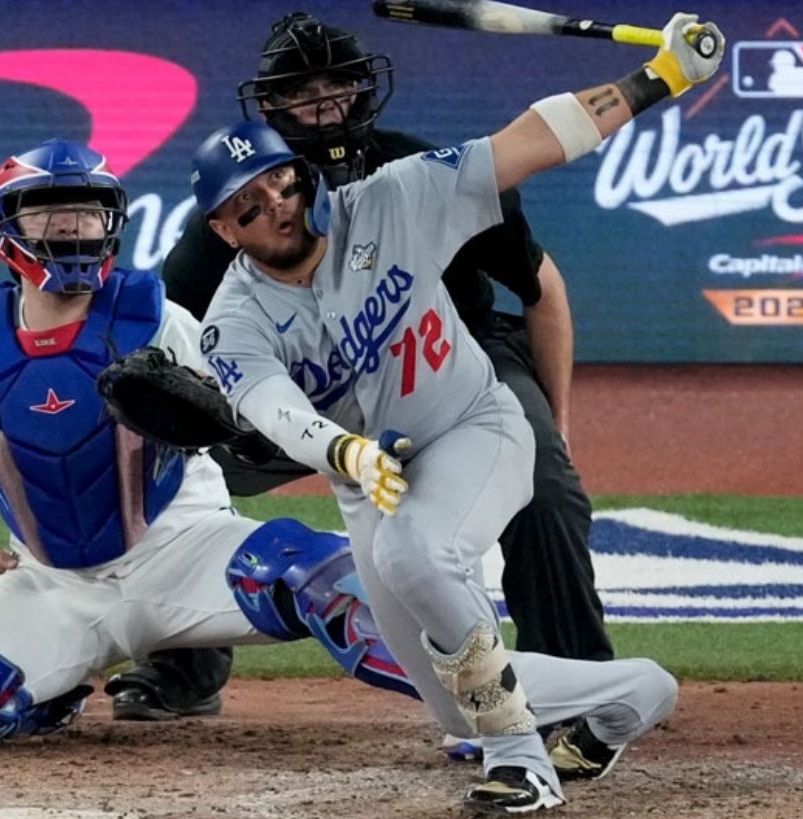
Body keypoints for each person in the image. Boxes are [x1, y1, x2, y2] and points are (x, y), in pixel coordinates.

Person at [190, 13, 723, 813]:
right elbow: (272, 408)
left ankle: (520, 762)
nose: (277, 205)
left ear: (302, 178)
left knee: (415, 553)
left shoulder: (396, 196)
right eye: (249, 204)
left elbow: (531, 140)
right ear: (223, 230)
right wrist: (345, 453)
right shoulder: (233, 318)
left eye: (282, 184)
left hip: (473, 427)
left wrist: (661, 79)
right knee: (449, 698)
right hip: (369, 481)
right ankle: (635, 692)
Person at [109, 11, 615, 744]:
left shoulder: (417, 170)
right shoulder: (229, 223)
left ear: (364, 87)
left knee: (545, 484)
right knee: (163, 464)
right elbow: (176, 347)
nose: (322, 101)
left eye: (337, 82)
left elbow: (542, 287)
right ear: (271, 107)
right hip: (311, 391)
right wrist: (213, 423)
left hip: (451, 359)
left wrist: (555, 431)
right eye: (300, 89)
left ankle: (578, 689)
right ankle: (181, 665)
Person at [0, 138, 418, 752]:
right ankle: (52, 688)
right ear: (7, 229)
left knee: (327, 581)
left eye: (88, 211)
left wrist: (229, 424)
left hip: (186, 551)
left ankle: (484, 709)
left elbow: (253, 411)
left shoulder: (160, 320)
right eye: (49, 212)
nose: (73, 225)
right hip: (54, 585)